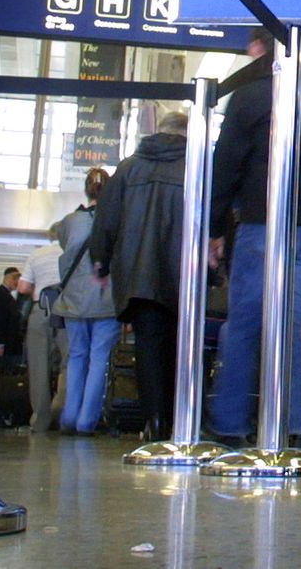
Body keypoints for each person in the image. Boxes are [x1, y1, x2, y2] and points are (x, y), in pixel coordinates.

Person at [206, 28, 301, 448]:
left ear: (258, 48)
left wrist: (213, 230)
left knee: (243, 325)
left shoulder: (249, 98)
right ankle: (297, 424)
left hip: (259, 225)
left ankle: (231, 422)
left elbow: (226, 168)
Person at [90, 111, 188, 442]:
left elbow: (107, 217)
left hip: (138, 273)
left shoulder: (129, 167)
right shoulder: (197, 167)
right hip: (183, 273)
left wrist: (101, 261)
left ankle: (155, 421)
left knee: (148, 345)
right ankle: (181, 420)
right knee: (183, 346)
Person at [54, 167, 116, 436]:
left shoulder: (69, 221)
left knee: (77, 356)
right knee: (99, 358)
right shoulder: (117, 219)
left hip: (73, 302)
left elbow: (65, 248)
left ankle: (69, 417)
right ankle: (87, 421)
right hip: (105, 301)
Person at [17, 226, 62, 432]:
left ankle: (41, 420)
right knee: (71, 363)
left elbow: (23, 288)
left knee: (38, 367)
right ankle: (61, 411)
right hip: (68, 311)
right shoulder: (70, 252)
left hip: (41, 310)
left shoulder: (37, 254)